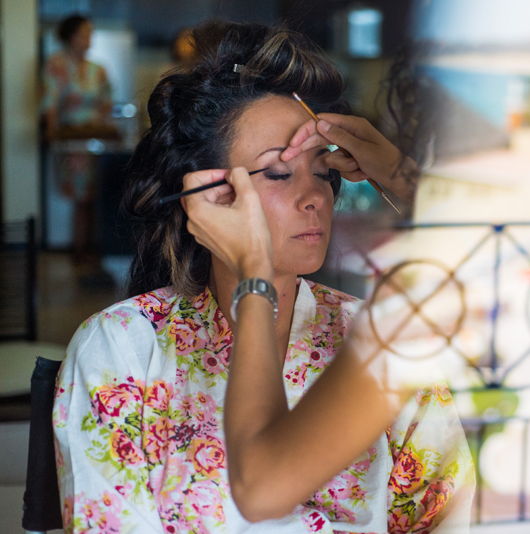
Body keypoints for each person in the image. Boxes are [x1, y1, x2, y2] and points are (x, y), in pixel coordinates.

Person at [53, 20, 473, 534]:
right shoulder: (122, 349)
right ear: (207, 192)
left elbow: (442, 514)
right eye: (277, 172)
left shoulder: (377, 337)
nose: (315, 196)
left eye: (325, 172)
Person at [40, 14, 118, 263]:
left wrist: (106, 124)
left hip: (99, 140)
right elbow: (49, 104)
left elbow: (108, 102)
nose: (89, 38)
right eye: (85, 33)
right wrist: (52, 134)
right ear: (72, 36)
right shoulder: (56, 65)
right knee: (81, 198)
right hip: (73, 142)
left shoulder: (99, 69)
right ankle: (80, 249)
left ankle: (97, 249)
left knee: (100, 195)